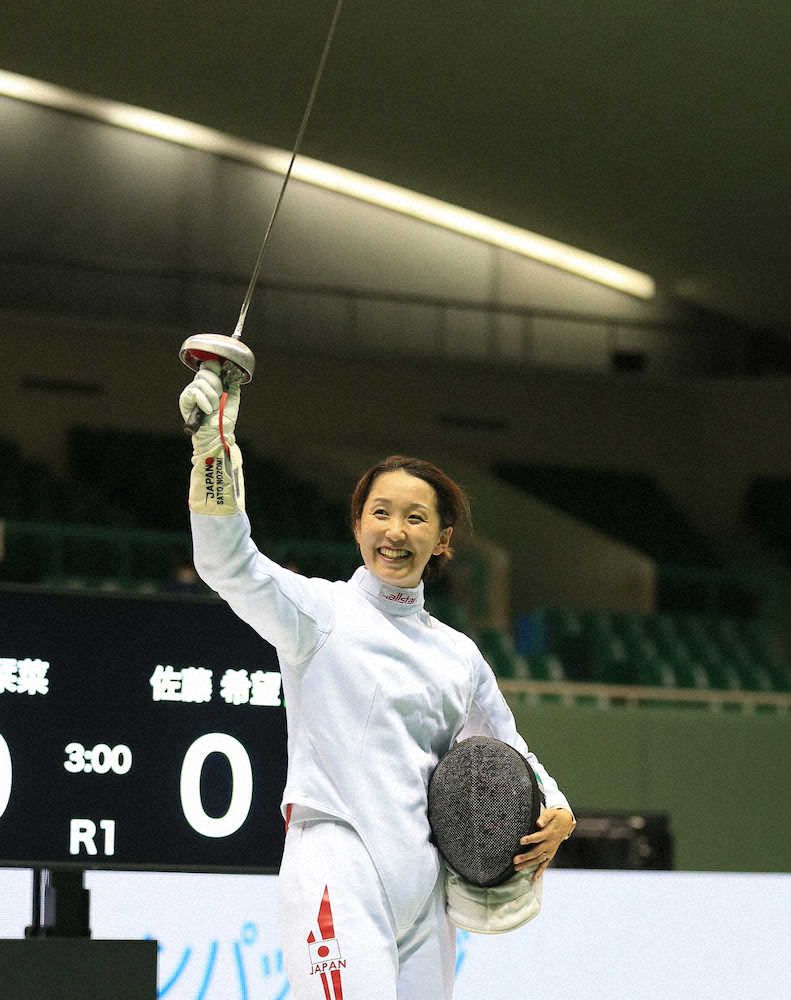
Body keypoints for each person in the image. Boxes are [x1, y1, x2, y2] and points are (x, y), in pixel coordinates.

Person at [179, 361, 575, 1000]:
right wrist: (212, 452)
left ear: (443, 539)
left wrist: (555, 808)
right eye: (381, 513)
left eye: (416, 519)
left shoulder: (459, 655)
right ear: (358, 524)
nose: (396, 532)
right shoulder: (320, 614)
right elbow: (227, 562)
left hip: (424, 884)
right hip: (337, 864)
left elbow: (510, 750)